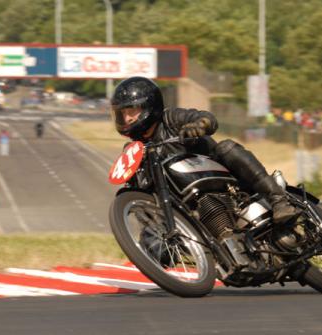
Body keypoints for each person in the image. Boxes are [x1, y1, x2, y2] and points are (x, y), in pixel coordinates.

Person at [110, 76, 298, 224]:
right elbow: (137, 192)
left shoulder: (171, 118)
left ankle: (278, 199)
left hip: (221, 177)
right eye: (122, 113)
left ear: (148, 106)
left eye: (131, 111)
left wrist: (198, 125)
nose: (127, 118)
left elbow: (206, 117)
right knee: (152, 246)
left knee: (227, 147)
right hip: (188, 204)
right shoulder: (134, 149)